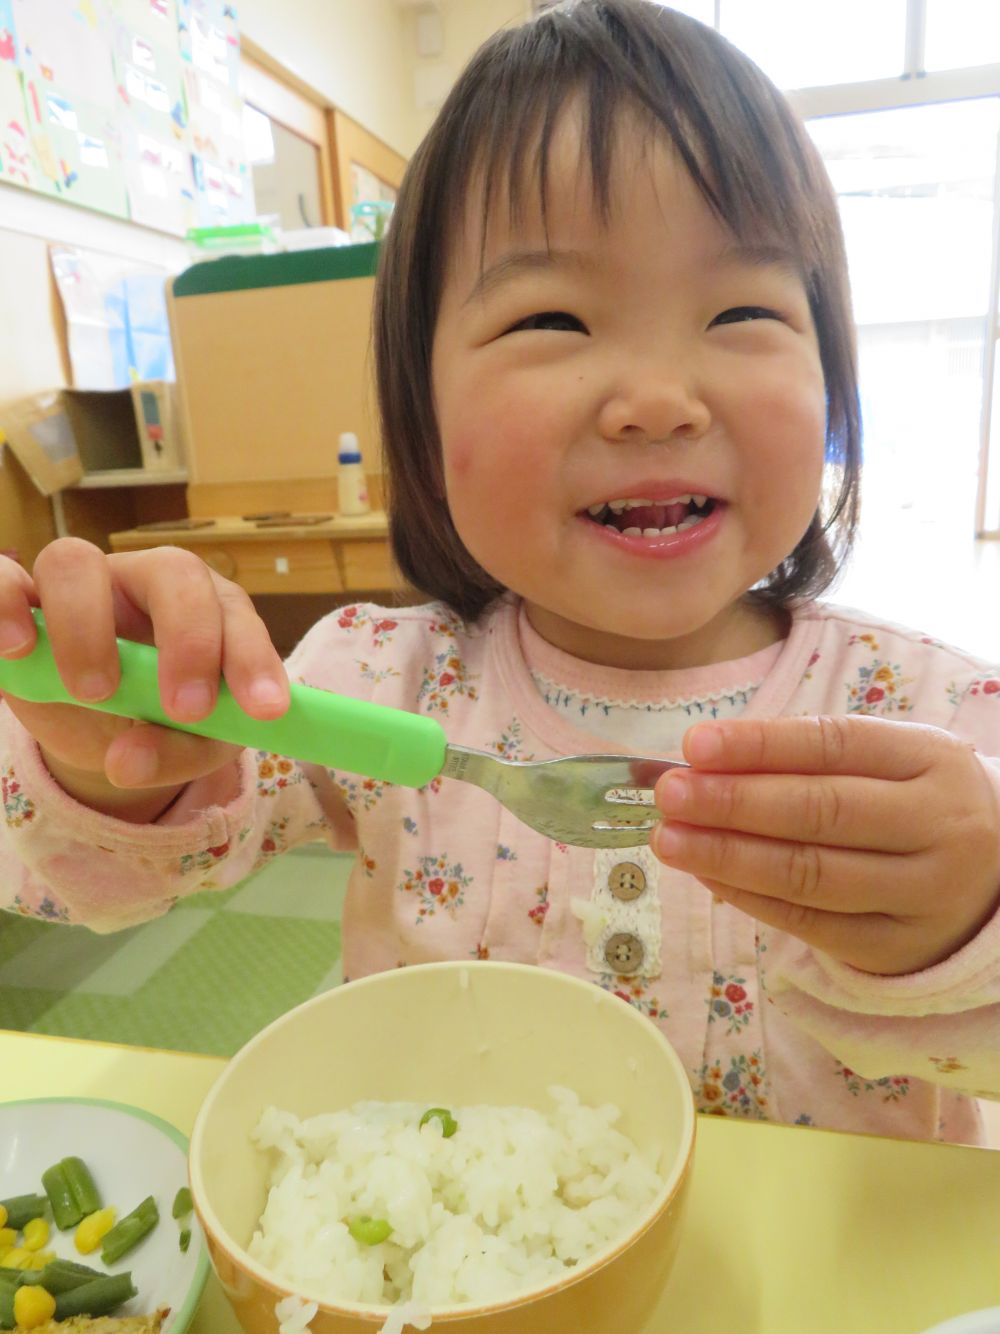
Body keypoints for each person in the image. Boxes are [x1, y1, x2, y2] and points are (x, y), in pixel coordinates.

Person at [1, 0, 998, 1144]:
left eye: (740, 309)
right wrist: (118, 759)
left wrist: (972, 911)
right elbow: (102, 870)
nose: (660, 398)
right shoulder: (373, 679)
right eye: (554, 319)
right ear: (420, 413)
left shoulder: (927, 717)